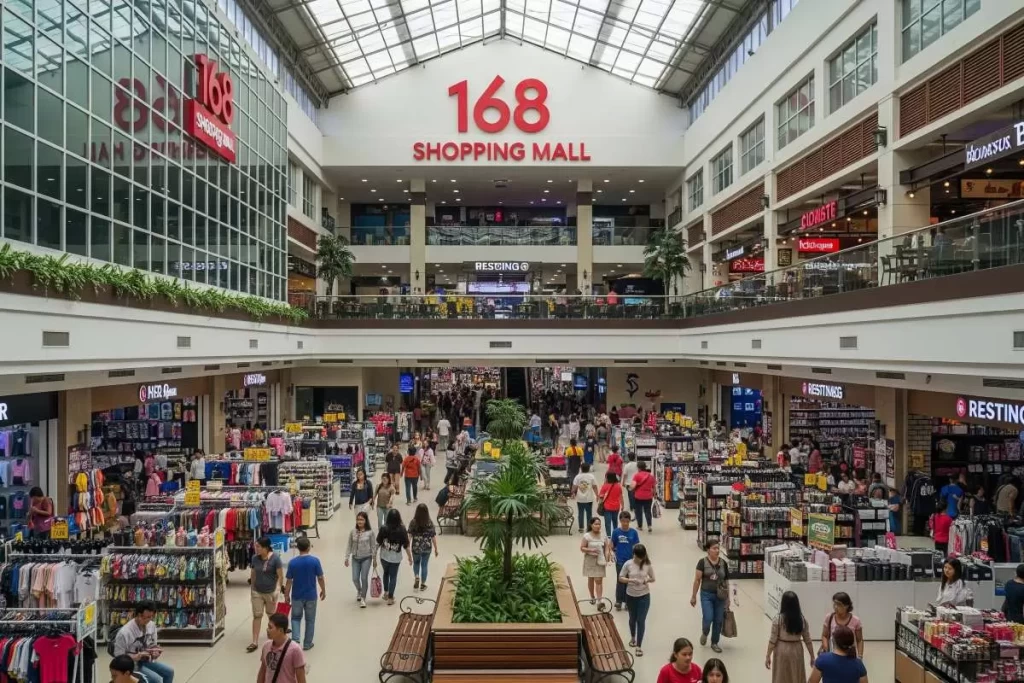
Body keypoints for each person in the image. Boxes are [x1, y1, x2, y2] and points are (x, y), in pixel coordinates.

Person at [113, 601, 174, 683]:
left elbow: (153, 645)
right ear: (138, 615)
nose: (149, 620)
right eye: (147, 617)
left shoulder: (151, 625)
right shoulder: (125, 632)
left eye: (151, 617)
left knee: (169, 672)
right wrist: (134, 657)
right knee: (156, 680)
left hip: (145, 661)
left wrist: (155, 653)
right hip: (131, 665)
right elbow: (118, 658)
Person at [283, 536, 325, 651]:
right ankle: (307, 643)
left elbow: (289, 581)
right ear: (308, 547)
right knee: (310, 620)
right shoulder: (315, 561)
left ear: (298, 548)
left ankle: (296, 641)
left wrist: (286, 595)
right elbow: (320, 577)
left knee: (295, 618)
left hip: (297, 596)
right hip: (311, 595)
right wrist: (323, 590)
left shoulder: (293, 563)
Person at [765, 590, 814, 683]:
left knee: (781, 675)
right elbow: (807, 639)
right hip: (797, 649)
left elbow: (772, 640)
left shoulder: (778, 619)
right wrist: (812, 656)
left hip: (781, 648)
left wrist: (768, 655)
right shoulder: (802, 619)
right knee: (796, 674)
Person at [246, 537, 284, 653]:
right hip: (257, 592)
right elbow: (253, 574)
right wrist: (252, 588)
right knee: (257, 615)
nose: (255, 549)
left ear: (266, 548)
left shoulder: (275, 559)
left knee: (271, 615)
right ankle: (255, 641)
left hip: (270, 592)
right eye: (255, 546)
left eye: (258, 547)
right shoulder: (254, 558)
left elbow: (280, 576)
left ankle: (275, 638)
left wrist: (277, 590)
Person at [690, 540, 728, 653]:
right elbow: (697, 580)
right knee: (708, 617)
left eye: (718, 548)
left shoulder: (723, 563)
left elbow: (727, 581)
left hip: (720, 596)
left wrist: (728, 598)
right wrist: (693, 596)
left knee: (718, 620)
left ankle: (715, 642)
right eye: (714, 548)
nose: (717, 550)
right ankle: (705, 632)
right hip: (706, 594)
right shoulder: (702, 562)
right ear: (708, 550)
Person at [618, 543, 654, 657]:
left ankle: (639, 646)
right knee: (632, 619)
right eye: (638, 557)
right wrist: (631, 580)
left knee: (641, 620)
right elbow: (620, 578)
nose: (640, 560)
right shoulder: (628, 564)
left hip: (644, 596)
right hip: (630, 595)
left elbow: (653, 578)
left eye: (642, 557)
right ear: (634, 555)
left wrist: (645, 581)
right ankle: (633, 637)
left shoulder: (647, 564)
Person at [375, 508, 412, 606]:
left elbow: (377, 543)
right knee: (393, 576)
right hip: (396, 558)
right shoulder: (402, 529)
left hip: (384, 556)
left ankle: (386, 593)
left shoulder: (383, 528)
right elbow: (406, 545)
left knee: (386, 573)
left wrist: (373, 556)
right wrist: (410, 557)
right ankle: (391, 597)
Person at [256, 613, 307, 683]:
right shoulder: (266, 646)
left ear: (280, 630)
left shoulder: (295, 650)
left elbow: (301, 678)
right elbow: (263, 670)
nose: (267, 630)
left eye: (270, 627)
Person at [610, 510, 640, 610]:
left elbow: (636, 546)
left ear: (629, 521)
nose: (625, 523)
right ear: (620, 521)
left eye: (627, 521)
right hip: (620, 561)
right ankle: (618, 601)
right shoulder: (616, 532)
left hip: (631, 561)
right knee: (620, 580)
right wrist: (612, 553)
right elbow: (612, 545)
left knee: (629, 581)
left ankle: (628, 601)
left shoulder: (633, 532)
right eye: (623, 521)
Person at [344, 511, 374, 607]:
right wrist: (347, 557)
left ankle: (363, 598)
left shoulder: (370, 532)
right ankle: (359, 590)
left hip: (366, 558)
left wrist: (375, 559)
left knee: (364, 578)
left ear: (365, 521)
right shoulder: (353, 532)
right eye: (358, 519)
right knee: (355, 578)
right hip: (355, 558)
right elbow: (349, 545)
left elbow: (373, 546)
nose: (359, 521)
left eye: (361, 519)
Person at [580, 515, 612, 602]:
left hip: (600, 561)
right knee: (591, 579)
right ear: (591, 525)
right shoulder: (587, 536)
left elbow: (606, 549)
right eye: (596, 524)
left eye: (599, 524)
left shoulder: (603, 536)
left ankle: (599, 600)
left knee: (599, 580)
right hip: (589, 561)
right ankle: (592, 596)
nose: (598, 526)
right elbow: (582, 548)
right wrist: (591, 549)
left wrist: (607, 559)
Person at [821, 592, 863, 657]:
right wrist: (826, 650)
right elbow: (824, 636)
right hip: (833, 654)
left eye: (838, 604)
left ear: (846, 606)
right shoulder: (829, 617)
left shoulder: (855, 620)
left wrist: (860, 656)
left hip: (849, 655)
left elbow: (859, 640)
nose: (835, 607)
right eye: (834, 604)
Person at [408, 503, 439, 592]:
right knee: (424, 565)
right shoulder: (429, 522)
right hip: (426, 547)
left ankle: (417, 576)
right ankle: (423, 584)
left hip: (416, 547)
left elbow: (409, 535)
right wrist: (436, 549)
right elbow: (433, 536)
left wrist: (407, 545)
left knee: (416, 563)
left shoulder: (413, 522)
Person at [571, 462, 598, 533]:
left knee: (580, 513)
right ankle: (589, 528)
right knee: (589, 513)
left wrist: (573, 493)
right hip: (589, 498)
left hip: (580, 499)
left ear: (581, 468)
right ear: (589, 468)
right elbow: (594, 487)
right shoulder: (591, 476)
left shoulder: (578, 477)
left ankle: (581, 528)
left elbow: (574, 486)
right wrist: (597, 495)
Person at [629, 462, 656, 532]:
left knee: (638, 511)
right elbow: (654, 487)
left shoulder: (637, 475)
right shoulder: (651, 476)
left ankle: (640, 526)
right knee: (648, 511)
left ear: (638, 468)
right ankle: (649, 526)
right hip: (648, 496)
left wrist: (630, 488)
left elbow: (633, 486)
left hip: (638, 496)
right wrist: (654, 495)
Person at [597, 472, 624, 537]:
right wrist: (623, 505)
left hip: (607, 507)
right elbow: (621, 497)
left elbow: (601, 497)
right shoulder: (618, 486)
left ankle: (609, 536)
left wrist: (599, 505)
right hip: (616, 507)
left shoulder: (605, 486)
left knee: (607, 523)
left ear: (607, 478)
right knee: (615, 521)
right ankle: (615, 534)